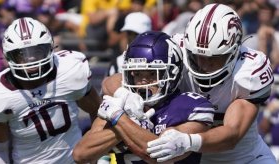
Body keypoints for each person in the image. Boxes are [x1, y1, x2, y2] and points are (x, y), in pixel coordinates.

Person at [101, 3, 277, 164]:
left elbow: (232, 134)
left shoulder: (248, 70)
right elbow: (112, 80)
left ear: (233, 52)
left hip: (246, 159)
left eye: (213, 59)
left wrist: (189, 141)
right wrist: (124, 94)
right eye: (198, 56)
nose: (204, 65)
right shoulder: (177, 49)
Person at [73, 31, 215, 163]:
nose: (143, 82)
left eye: (152, 74)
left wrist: (120, 120)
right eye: (138, 74)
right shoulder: (122, 102)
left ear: (172, 73)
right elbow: (81, 154)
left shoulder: (192, 106)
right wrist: (128, 123)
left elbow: (159, 156)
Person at [0, 17, 101, 163]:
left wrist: (95, 155)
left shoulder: (69, 70)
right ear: (8, 57)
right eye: (22, 55)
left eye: (37, 51)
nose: (31, 60)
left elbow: (98, 112)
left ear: (50, 48)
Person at [107, 11, 152, 76]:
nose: (132, 38)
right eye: (129, 33)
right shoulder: (118, 63)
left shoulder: (160, 61)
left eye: (136, 34)